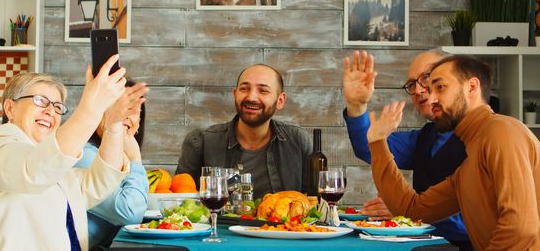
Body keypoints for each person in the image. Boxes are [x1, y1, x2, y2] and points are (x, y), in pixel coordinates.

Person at [367, 55, 540, 250]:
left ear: (472, 87)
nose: (430, 98)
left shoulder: (501, 131)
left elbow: (520, 229)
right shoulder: (468, 166)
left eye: (440, 87)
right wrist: (377, 140)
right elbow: (412, 209)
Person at [0, 55, 132, 251]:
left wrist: (113, 125)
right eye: (39, 101)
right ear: (10, 108)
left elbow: (98, 183)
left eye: (57, 107)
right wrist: (92, 107)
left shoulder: (46, 162)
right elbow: (34, 171)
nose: (50, 111)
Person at [342, 50, 471, 248]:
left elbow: (487, 219)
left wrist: (406, 211)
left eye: (427, 78)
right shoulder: (424, 137)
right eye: (411, 84)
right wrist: (356, 105)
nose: (419, 90)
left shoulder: (489, 138)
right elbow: (368, 148)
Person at [175, 63, 312, 199]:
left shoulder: (298, 140)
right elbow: (180, 201)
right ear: (235, 94)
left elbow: (314, 202)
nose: (251, 97)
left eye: (263, 90)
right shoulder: (201, 141)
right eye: (244, 89)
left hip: (283, 222)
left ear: (280, 100)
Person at [75, 80, 149, 251]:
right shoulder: (83, 154)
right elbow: (130, 213)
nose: (124, 115)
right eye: (116, 106)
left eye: (132, 109)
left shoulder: (119, 157)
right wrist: (135, 159)